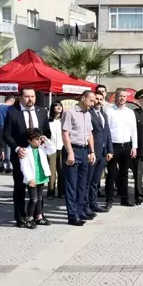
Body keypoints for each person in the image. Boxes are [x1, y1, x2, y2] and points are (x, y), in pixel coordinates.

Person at [3, 88, 51, 228]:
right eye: (27, 96)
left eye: (32, 96)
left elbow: (47, 132)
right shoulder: (12, 112)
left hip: (38, 155)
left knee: (39, 186)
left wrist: (45, 140)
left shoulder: (42, 112)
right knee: (19, 187)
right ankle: (20, 217)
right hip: (21, 155)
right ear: (21, 97)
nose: (30, 99)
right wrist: (17, 148)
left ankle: (38, 215)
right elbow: (6, 134)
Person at [61, 91, 96, 226]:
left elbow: (89, 133)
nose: (92, 103)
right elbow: (65, 133)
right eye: (91, 100)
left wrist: (92, 151)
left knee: (82, 185)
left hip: (84, 150)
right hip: (73, 149)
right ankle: (72, 215)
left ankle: (80, 210)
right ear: (83, 98)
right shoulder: (70, 112)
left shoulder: (87, 114)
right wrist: (70, 152)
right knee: (72, 185)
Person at [105, 88, 138, 208]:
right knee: (112, 174)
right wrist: (107, 149)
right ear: (115, 97)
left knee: (124, 174)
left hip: (126, 146)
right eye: (120, 96)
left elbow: (133, 130)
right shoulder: (109, 111)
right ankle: (109, 200)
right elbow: (106, 131)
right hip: (113, 146)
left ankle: (125, 199)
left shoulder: (130, 112)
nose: (122, 98)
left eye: (124, 96)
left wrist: (134, 147)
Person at [19, 128, 56, 228]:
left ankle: (39, 217)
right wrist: (30, 178)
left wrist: (46, 140)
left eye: (39, 139)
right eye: (36, 139)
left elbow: (53, 149)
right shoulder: (25, 151)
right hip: (32, 179)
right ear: (29, 140)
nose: (39, 141)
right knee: (33, 199)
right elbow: (24, 167)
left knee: (40, 199)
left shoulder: (42, 148)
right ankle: (29, 218)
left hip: (41, 176)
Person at [87, 92, 112, 213]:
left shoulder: (103, 114)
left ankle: (93, 203)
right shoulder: (88, 114)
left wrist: (109, 150)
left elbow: (107, 133)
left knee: (96, 181)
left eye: (101, 99)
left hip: (102, 153)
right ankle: (85, 204)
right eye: (96, 99)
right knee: (89, 180)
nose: (98, 101)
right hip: (92, 152)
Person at [47, 101, 64, 199]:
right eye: (56, 106)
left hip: (62, 147)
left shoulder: (64, 120)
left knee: (62, 170)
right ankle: (51, 191)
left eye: (60, 106)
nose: (58, 107)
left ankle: (62, 192)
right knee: (51, 171)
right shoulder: (49, 121)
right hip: (51, 148)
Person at [0, 94, 15, 173]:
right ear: (12, 100)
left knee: (0, 148)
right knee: (8, 148)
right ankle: (8, 166)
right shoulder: (10, 108)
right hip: (7, 130)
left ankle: (1, 165)